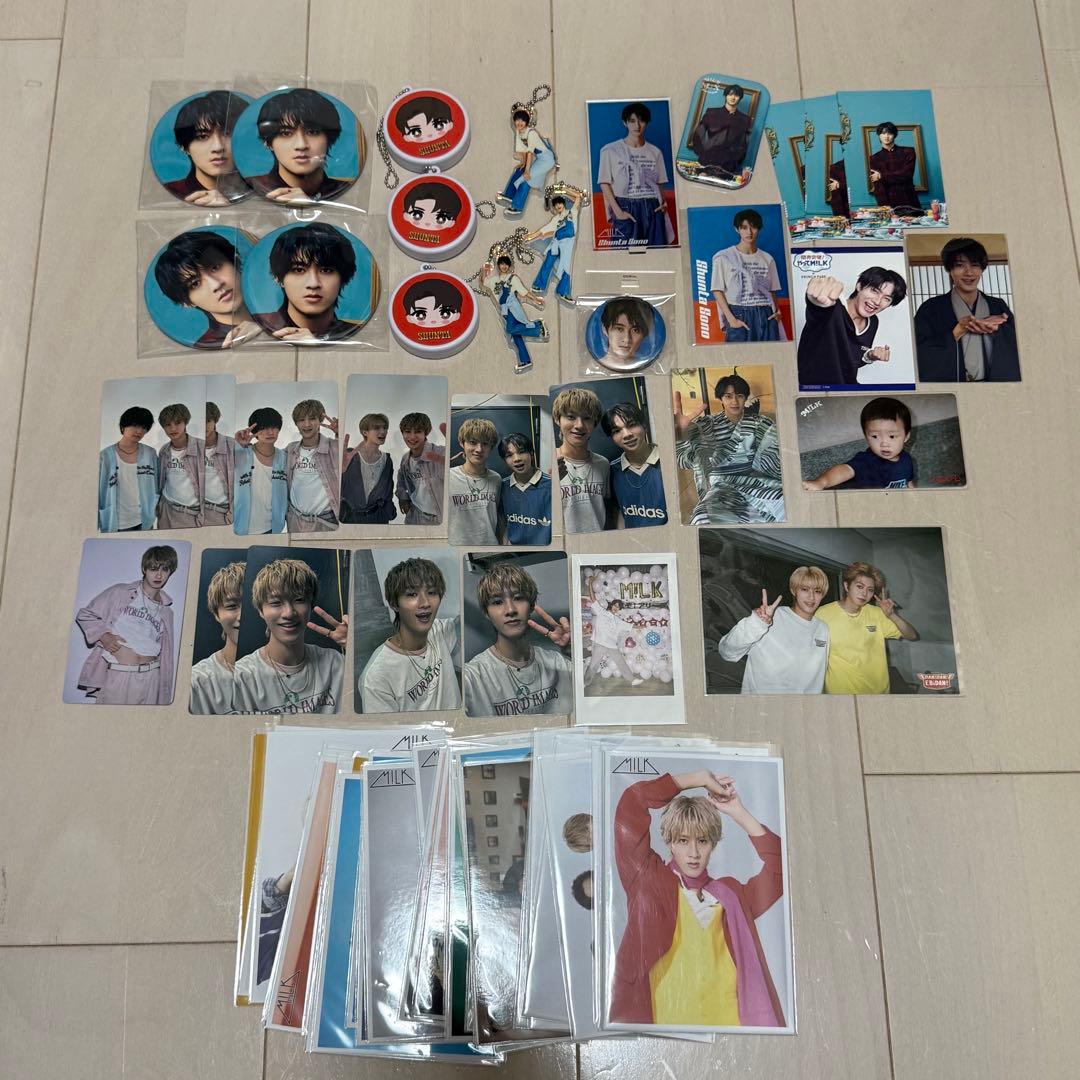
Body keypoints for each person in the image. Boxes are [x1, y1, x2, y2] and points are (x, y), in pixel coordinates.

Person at [610, 769, 785, 1027]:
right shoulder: (648, 880)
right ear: (669, 842)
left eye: (702, 841)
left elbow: (781, 869)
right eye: (683, 840)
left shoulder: (731, 896)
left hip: (730, 1026)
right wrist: (697, 779)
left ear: (713, 844)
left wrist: (738, 812)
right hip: (666, 1025)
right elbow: (631, 803)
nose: (693, 852)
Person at [233, 558, 348, 714]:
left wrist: (351, 646)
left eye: (299, 600)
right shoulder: (242, 677)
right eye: (276, 602)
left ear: (310, 605)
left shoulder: (336, 663)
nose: (289, 613)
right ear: (261, 610)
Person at [463, 562, 572, 717]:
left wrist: (575, 651)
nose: (510, 610)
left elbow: (599, 689)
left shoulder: (558, 663)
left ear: (532, 605)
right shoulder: (473, 677)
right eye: (497, 602)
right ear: (487, 613)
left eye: (518, 598)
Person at [74, 545, 179, 705]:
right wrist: (103, 635)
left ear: (170, 572)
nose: (159, 575)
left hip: (151, 679)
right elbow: (85, 614)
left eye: (164, 569)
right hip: (119, 673)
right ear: (144, 569)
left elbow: (166, 655)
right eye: (153, 569)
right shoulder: (120, 592)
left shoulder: (167, 612)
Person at [673, 373, 784, 524]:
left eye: (739, 396)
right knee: (702, 518)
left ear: (745, 398)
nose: (734, 401)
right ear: (721, 399)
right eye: (728, 396)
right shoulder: (706, 425)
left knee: (786, 506)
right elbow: (683, 461)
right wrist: (680, 435)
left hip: (758, 483)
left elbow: (776, 459)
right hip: (722, 489)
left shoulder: (761, 423)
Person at [359, 557, 462, 712]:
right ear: (394, 603)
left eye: (432, 592)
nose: (425, 602)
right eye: (412, 594)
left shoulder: (439, 630)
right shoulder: (376, 677)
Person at [913, 236, 1020, 382]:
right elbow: (919, 352)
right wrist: (957, 331)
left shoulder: (997, 305)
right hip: (955, 387)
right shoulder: (930, 309)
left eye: (975, 265)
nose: (969, 272)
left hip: (994, 386)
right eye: (960, 265)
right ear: (950, 269)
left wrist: (1000, 330)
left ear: (982, 269)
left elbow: (1020, 344)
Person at [717, 567, 830, 694]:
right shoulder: (771, 618)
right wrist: (756, 623)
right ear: (794, 590)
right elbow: (726, 652)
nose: (811, 596)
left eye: (817, 591)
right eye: (805, 589)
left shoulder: (822, 629)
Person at [816, 561, 918, 695]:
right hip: (841, 694)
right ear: (846, 586)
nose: (864, 593)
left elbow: (912, 635)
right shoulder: (823, 614)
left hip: (879, 693)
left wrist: (892, 615)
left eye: (870, 590)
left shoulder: (877, 613)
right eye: (860, 586)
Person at [796, 268, 907, 388]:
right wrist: (816, 298)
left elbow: (851, 360)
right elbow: (818, 308)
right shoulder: (833, 308)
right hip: (815, 389)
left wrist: (869, 356)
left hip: (848, 388)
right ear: (859, 286)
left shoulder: (873, 322)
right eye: (874, 291)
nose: (877, 301)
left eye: (887, 298)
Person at [253, 222, 358, 342]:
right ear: (278, 278)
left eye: (326, 270)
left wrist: (316, 345)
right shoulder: (256, 327)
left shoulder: (358, 334)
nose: (313, 284)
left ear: (342, 278)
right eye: (299, 270)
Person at [152, 230, 258, 349]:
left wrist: (260, 327)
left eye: (215, 267)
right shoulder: (208, 348)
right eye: (195, 283)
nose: (216, 284)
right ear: (186, 303)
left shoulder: (275, 310)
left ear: (235, 262)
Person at [251, 87, 350, 202]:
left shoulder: (348, 192)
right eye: (286, 133)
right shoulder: (251, 190)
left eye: (312, 132)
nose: (301, 145)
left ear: (329, 137)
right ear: (268, 142)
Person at [598, 102, 673, 248]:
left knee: (657, 254)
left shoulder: (655, 152)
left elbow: (659, 182)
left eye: (641, 121)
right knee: (623, 256)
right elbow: (604, 183)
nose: (637, 125)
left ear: (647, 122)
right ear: (625, 123)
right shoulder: (610, 150)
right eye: (632, 121)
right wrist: (618, 212)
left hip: (653, 207)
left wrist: (663, 204)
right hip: (626, 207)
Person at [803, 397, 915, 491]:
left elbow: (908, 482)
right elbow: (843, 470)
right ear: (866, 436)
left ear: (906, 436)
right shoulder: (865, 461)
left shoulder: (906, 459)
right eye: (875, 436)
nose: (884, 443)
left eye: (892, 436)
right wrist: (821, 482)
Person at [163, 89, 249, 205]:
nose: (218, 147)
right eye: (202, 136)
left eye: (227, 133)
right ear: (184, 146)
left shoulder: (263, 190)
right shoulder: (169, 194)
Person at [710, 209, 783, 343]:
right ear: (737, 229)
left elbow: (772, 290)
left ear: (759, 229)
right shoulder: (724, 257)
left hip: (766, 314)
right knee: (738, 355)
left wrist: (777, 312)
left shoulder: (767, 258)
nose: (749, 232)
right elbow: (717, 290)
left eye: (753, 227)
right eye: (744, 228)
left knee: (772, 354)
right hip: (739, 314)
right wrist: (731, 320)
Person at [553, 387, 614, 534]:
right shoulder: (549, 463)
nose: (579, 425)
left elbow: (607, 509)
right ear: (557, 420)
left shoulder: (603, 464)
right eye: (571, 417)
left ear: (595, 423)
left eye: (587, 418)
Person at [190, 560, 244, 714]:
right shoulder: (197, 682)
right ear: (216, 614)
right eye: (231, 606)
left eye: (249, 604)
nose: (242, 616)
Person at [601, 402, 668, 528]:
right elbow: (619, 512)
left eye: (631, 425)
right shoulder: (611, 470)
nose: (627, 434)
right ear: (612, 438)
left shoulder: (670, 461)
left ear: (644, 426)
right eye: (617, 431)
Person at [481, 255, 548, 373]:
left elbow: (524, 292)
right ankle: (525, 360)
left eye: (506, 264)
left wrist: (536, 299)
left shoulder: (513, 278)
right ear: (498, 265)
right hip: (504, 312)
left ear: (509, 266)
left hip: (513, 309)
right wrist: (484, 270)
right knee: (516, 337)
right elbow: (484, 282)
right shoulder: (493, 280)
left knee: (510, 329)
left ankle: (538, 327)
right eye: (502, 264)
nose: (504, 266)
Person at [98, 405, 158, 533]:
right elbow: (97, 492)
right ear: (123, 426)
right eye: (135, 425)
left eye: (144, 427)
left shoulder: (150, 454)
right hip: (117, 523)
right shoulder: (105, 457)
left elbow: (157, 484)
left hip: (145, 521)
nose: (139, 431)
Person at [285, 399, 340, 533]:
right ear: (296, 423)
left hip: (327, 523)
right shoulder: (290, 450)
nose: (307, 424)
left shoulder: (333, 447)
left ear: (320, 420)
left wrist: (340, 433)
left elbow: (347, 458)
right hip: (295, 521)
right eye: (301, 420)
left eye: (312, 418)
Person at [233, 407, 288, 535]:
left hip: (272, 529)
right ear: (255, 430)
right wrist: (237, 445)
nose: (270, 432)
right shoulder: (241, 453)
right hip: (240, 528)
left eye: (274, 427)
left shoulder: (284, 458)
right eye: (264, 428)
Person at [448, 418, 502, 546]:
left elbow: (499, 517)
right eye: (472, 442)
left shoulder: (496, 479)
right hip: (457, 547)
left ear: (491, 447)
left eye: (485, 444)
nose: (479, 449)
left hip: (490, 547)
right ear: (462, 443)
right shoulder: (447, 476)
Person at [584, 576, 643, 688]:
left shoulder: (618, 620)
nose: (616, 608)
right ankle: (585, 683)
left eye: (618, 607)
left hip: (611, 645)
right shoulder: (601, 612)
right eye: (615, 605)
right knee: (593, 664)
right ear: (612, 605)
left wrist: (643, 626)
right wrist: (590, 583)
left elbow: (631, 626)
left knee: (621, 662)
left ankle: (632, 680)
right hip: (600, 643)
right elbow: (592, 598)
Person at [525, 189, 582, 303]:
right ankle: (539, 285)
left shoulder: (572, 212)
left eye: (559, 203)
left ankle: (563, 292)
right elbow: (543, 230)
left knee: (566, 268)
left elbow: (578, 197)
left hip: (567, 244)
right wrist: (530, 236)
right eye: (555, 205)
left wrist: (564, 191)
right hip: (556, 243)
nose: (557, 206)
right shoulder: (555, 219)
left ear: (563, 203)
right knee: (547, 263)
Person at [497, 107, 556, 217]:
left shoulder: (531, 133)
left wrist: (527, 170)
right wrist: (523, 164)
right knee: (519, 170)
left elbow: (529, 153)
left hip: (547, 160)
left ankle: (517, 207)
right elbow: (524, 151)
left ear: (527, 122)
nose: (519, 123)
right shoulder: (519, 133)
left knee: (526, 179)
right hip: (539, 159)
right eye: (517, 120)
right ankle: (509, 196)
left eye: (523, 120)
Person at [340, 412, 396, 524]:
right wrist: (340, 471)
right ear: (365, 432)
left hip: (377, 519)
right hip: (350, 519)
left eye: (385, 428)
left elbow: (388, 493)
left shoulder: (387, 459)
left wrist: (390, 513)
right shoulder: (349, 456)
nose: (383, 432)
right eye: (376, 428)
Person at [690, 83, 753, 181]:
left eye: (736, 95)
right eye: (730, 94)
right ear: (725, 95)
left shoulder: (745, 119)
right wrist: (702, 153)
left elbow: (744, 145)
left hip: (729, 166)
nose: (733, 97)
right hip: (707, 162)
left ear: (740, 98)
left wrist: (735, 160)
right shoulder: (711, 112)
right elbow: (698, 135)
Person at [497, 433, 552, 546]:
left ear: (531, 453)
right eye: (509, 455)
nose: (517, 459)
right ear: (504, 460)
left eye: (521, 452)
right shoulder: (502, 486)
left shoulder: (551, 484)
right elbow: (502, 521)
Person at [155, 403, 204, 529]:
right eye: (168, 425)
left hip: (193, 514)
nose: (173, 428)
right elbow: (162, 480)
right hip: (167, 510)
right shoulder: (164, 451)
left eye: (177, 423)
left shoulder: (202, 448)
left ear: (185, 423)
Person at [396, 413, 445, 526]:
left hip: (438, 520)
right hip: (415, 516)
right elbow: (401, 481)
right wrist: (403, 498)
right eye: (408, 431)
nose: (412, 437)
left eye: (418, 431)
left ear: (425, 433)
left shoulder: (441, 453)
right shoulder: (405, 459)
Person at [867, 122, 920, 213]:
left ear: (894, 135)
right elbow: (878, 187)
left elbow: (906, 175)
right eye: (883, 133)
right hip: (888, 204)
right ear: (879, 136)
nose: (886, 136)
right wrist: (885, 209)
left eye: (889, 133)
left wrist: (881, 176)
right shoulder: (874, 158)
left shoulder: (908, 152)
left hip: (909, 200)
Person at [597, 297, 655, 369]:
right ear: (605, 329)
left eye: (635, 330)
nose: (627, 339)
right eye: (619, 329)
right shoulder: (594, 367)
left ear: (645, 334)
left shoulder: (651, 369)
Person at [202, 401, 234, 526]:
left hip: (221, 513)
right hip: (192, 513)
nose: (204, 426)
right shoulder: (187, 446)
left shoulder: (231, 445)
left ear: (215, 421)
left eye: (207, 421)